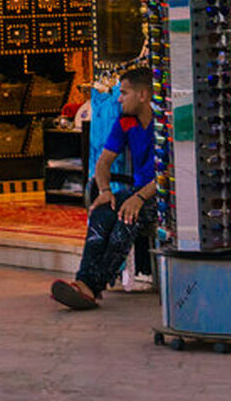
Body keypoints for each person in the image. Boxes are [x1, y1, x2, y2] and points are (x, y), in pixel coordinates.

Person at [51, 66, 160, 310]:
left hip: (161, 195)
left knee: (126, 220)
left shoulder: (164, 123)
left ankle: (91, 286)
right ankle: (85, 283)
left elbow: (169, 174)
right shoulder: (125, 121)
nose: (118, 98)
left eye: (124, 93)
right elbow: (103, 163)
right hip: (138, 192)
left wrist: (140, 198)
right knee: (103, 211)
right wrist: (104, 191)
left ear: (142, 95)